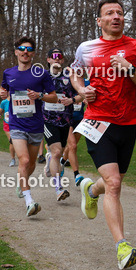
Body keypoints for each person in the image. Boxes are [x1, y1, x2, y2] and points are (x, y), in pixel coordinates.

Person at [70, 0, 136, 270]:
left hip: (127, 124)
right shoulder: (88, 48)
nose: (116, 16)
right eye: (109, 13)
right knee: (115, 184)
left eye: (120, 12)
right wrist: (81, 90)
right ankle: (122, 247)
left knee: (110, 183)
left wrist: (129, 69)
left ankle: (89, 189)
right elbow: (75, 73)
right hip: (97, 122)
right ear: (100, 21)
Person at [0, 37, 58, 218]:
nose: (25, 52)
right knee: (24, 161)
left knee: (31, 164)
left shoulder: (41, 73)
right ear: (16, 52)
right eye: (22, 48)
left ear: (33, 53)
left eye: (29, 49)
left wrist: (40, 95)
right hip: (16, 125)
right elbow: (3, 89)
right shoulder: (8, 73)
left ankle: (21, 182)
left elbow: (54, 97)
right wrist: (2, 93)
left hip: (36, 125)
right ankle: (29, 201)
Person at [42, 48, 81, 202]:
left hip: (65, 120)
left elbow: (81, 93)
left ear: (63, 60)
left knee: (60, 151)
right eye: (54, 57)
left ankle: (50, 158)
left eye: (60, 57)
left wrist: (72, 100)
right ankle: (58, 188)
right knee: (58, 152)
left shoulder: (69, 75)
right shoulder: (42, 76)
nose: (57, 59)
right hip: (48, 119)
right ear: (48, 59)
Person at [0, 97, 17, 166]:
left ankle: (22, 157)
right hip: (7, 124)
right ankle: (13, 159)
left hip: (17, 124)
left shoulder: (18, 100)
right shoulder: (4, 102)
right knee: (12, 141)